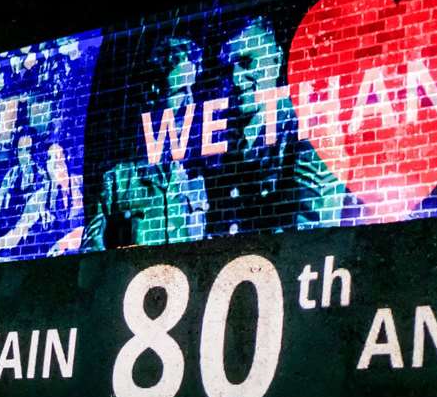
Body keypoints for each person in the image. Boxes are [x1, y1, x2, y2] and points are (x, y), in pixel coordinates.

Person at [204, 16, 345, 236]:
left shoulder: (309, 128)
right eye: (226, 70)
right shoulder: (222, 141)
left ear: (276, 60)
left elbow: (310, 231)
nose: (235, 79)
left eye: (247, 62)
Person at [83, 36, 208, 250]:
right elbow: (91, 256)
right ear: (154, 93)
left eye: (192, 90)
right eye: (179, 92)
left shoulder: (198, 177)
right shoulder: (117, 182)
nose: (190, 102)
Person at [0, 141, 84, 258]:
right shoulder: (40, 197)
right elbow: (21, 228)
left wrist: (65, 243)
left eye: (61, 155)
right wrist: (1, 243)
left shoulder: (82, 184)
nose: (57, 162)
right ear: (46, 166)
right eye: (51, 158)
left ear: (67, 158)